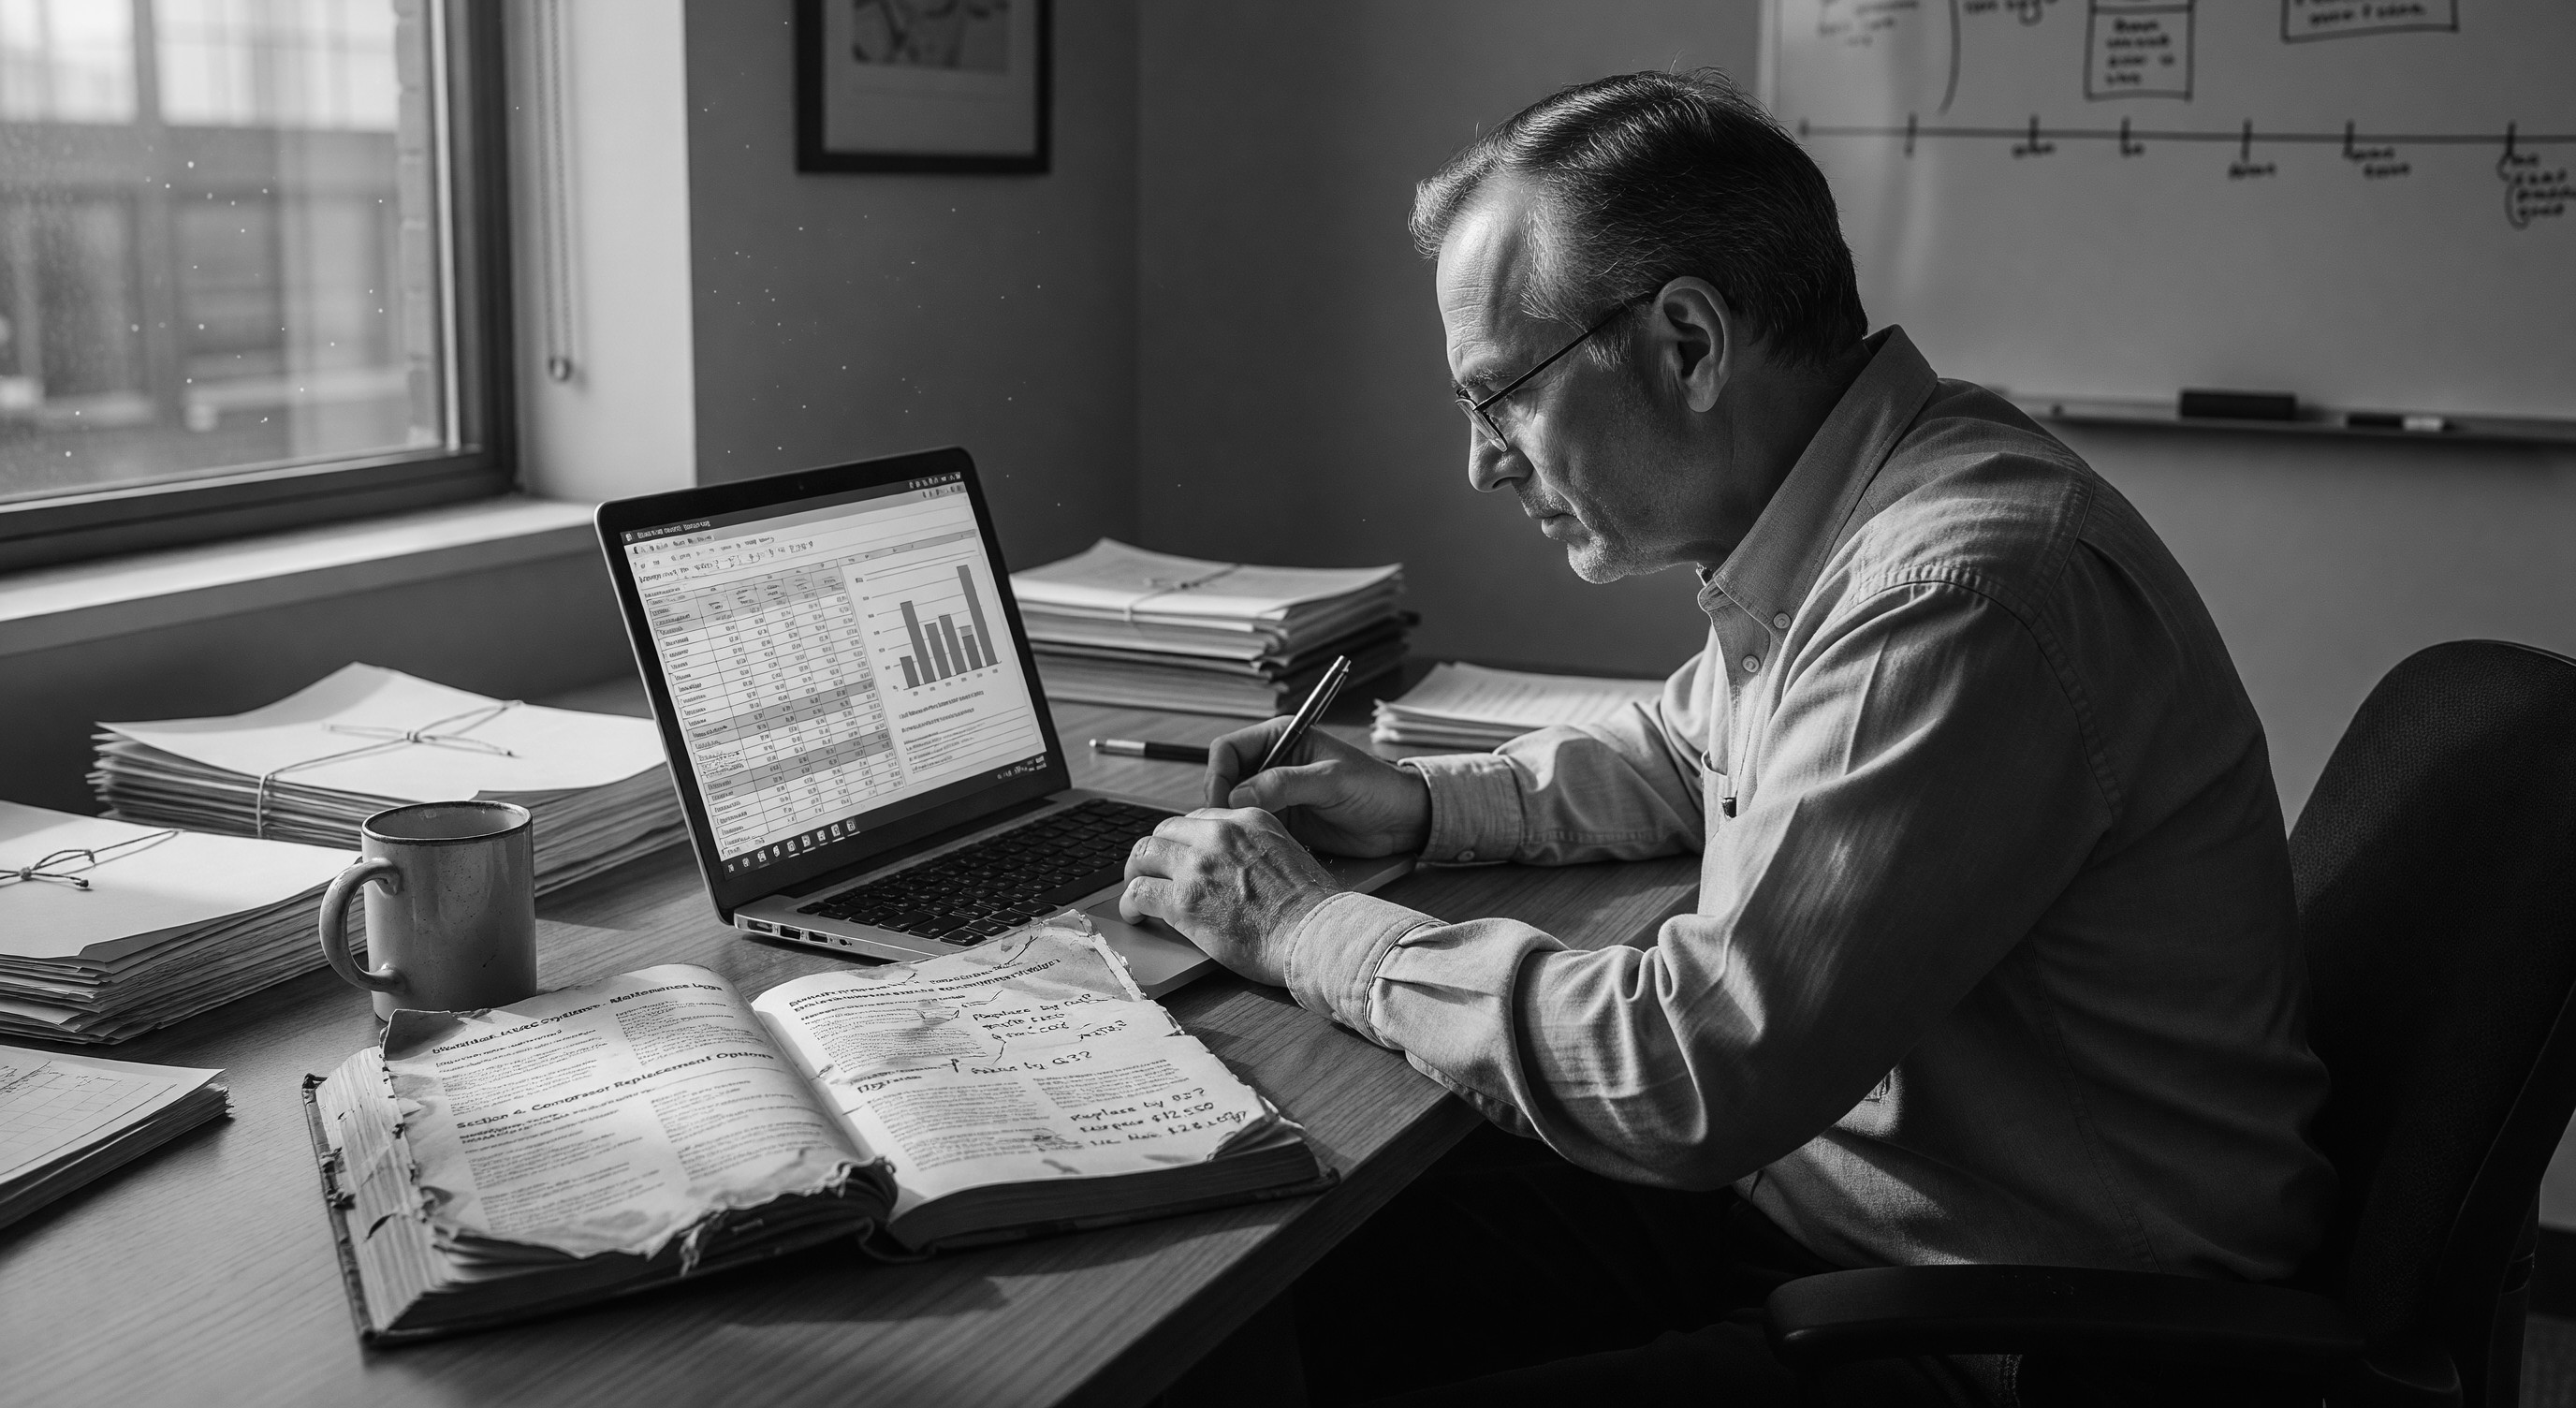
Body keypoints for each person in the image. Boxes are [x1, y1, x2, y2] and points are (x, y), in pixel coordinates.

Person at [1118, 68, 2333, 1406]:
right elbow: (1687, 749)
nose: (1484, 461)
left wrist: (1303, 930)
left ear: (1689, 343)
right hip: (1854, 1209)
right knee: (1332, 1265)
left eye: (1499, 395)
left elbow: (1690, 1068)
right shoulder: (1874, 502)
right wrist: (1414, 805)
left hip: (2029, 1333)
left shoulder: (1954, 594)